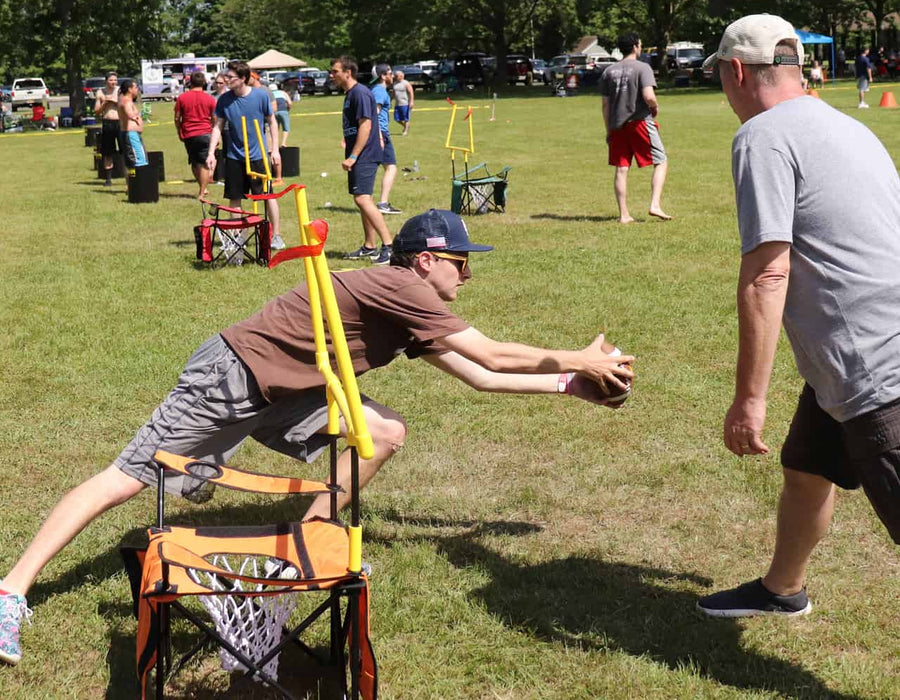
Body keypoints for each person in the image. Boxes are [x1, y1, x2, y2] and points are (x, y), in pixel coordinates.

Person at [0, 208, 635, 666]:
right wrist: (577, 357)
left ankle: (298, 556)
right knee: (128, 479)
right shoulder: (401, 285)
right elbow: (493, 354)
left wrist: (566, 387)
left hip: (292, 392)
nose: (467, 277)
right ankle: (11, 592)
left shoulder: (405, 303)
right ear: (426, 259)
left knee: (383, 430)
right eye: (461, 264)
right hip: (233, 375)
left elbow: (479, 378)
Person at [698, 13, 900, 619]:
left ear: (737, 71)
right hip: (854, 351)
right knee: (808, 465)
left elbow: (767, 274)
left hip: (876, 367)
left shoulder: (762, 136)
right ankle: (782, 589)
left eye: (722, 78)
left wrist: (748, 399)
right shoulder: (847, 125)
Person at [205, 61, 285, 251]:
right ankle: (238, 239)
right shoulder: (224, 99)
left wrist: (275, 149)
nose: (226, 80)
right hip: (234, 156)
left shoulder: (260, 96)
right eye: (225, 76)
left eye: (230, 77)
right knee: (235, 198)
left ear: (242, 79)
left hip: (258, 156)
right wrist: (211, 152)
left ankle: (276, 236)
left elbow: (272, 122)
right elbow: (217, 126)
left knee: (267, 195)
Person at [599, 32, 672, 224]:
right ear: (635, 46)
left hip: (617, 126)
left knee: (622, 168)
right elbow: (649, 96)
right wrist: (654, 107)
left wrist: (609, 130)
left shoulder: (608, 72)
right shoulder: (642, 68)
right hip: (639, 122)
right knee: (661, 161)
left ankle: (624, 215)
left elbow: (605, 105)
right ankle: (654, 205)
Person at [333, 56, 394, 264]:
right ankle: (370, 246)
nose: (332, 75)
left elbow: (366, 125)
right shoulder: (351, 93)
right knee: (361, 198)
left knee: (362, 199)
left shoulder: (359, 92)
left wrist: (353, 156)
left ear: (347, 72)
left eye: (335, 71)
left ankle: (389, 246)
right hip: (361, 151)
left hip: (365, 154)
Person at [174, 71, 217, 200]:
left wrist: (179, 131)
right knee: (204, 164)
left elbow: (177, 118)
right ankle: (202, 190)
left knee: (194, 163)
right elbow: (214, 118)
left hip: (189, 134)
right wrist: (213, 129)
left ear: (190, 82)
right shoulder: (210, 99)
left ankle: (202, 188)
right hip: (205, 133)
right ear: (204, 82)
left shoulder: (182, 98)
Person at [372, 63, 402, 216]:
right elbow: (374, 115)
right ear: (383, 76)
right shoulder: (379, 92)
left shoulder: (379, 91)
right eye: (390, 73)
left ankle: (380, 203)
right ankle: (382, 203)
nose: (393, 75)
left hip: (380, 133)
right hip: (381, 133)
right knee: (391, 167)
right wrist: (379, 137)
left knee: (387, 167)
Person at [93, 72, 120, 186]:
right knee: (107, 152)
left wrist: (114, 101)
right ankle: (108, 179)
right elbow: (97, 111)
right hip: (107, 123)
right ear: (106, 81)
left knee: (124, 149)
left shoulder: (120, 91)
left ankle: (130, 174)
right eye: (111, 80)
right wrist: (105, 103)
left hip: (120, 122)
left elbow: (127, 105)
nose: (113, 82)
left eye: (115, 80)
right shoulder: (100, 92)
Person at [117, 79, 148, 168]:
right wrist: (135, 118)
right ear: (130, 89)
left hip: (133, 134)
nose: (137, 89)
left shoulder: (126, 100)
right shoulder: (126, 101)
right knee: (139, 160)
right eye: (135, 87)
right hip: (131, 134)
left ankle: (138, 180)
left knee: (139, 159)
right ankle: (139, 181)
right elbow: (129, 113)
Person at [392, 69, 414, 136]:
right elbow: (393, 93)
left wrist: (411, 101)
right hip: (397, 104)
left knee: (406, 118)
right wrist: (390, 99)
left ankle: (405, 131)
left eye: (397, 76)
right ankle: (406, 126)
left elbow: (411, 92)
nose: (395, 77)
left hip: (405, 104)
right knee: (397, 119)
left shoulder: (406, 83)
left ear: (401, 76)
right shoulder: (395, 83)